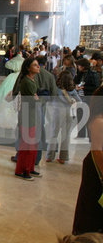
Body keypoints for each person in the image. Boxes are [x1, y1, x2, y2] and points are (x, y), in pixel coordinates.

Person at [73, 86, 103, 235]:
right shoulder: (99, 121)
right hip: (96, 166)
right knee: (91, 201)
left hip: (96, 164)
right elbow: (97, 150)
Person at [14, 57, 41, 181]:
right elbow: (32, 101)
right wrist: (36, 99)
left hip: (31, 116)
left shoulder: (31, 80)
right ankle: (24, 170)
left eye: (37, 65)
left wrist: (36, 99)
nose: (38, 67)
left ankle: (28, 168)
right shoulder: (26, 82)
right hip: (27, 117)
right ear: (28, 68)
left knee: (32, 144)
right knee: (28, 145)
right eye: (35, 65)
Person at [46, 70, 81, 163]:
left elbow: (49, 98)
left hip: (57, 111)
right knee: (66, 135)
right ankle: (63, 157)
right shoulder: (72, 89)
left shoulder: (55, 88)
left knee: (54, 133)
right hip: (69, 111)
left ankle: (50, 156)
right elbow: (79, 101)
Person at [74, 58, 100, 139]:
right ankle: (81, 134)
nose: (78, 67)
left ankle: (90, 135)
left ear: (83, 66)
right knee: (80, 115)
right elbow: (75, 81)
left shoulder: (93, 74)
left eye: (79, 65)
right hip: (80, 97)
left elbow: (96, 87)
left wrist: (84, 88)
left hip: (88, 97)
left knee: (88, 116)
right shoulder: (80, 74)